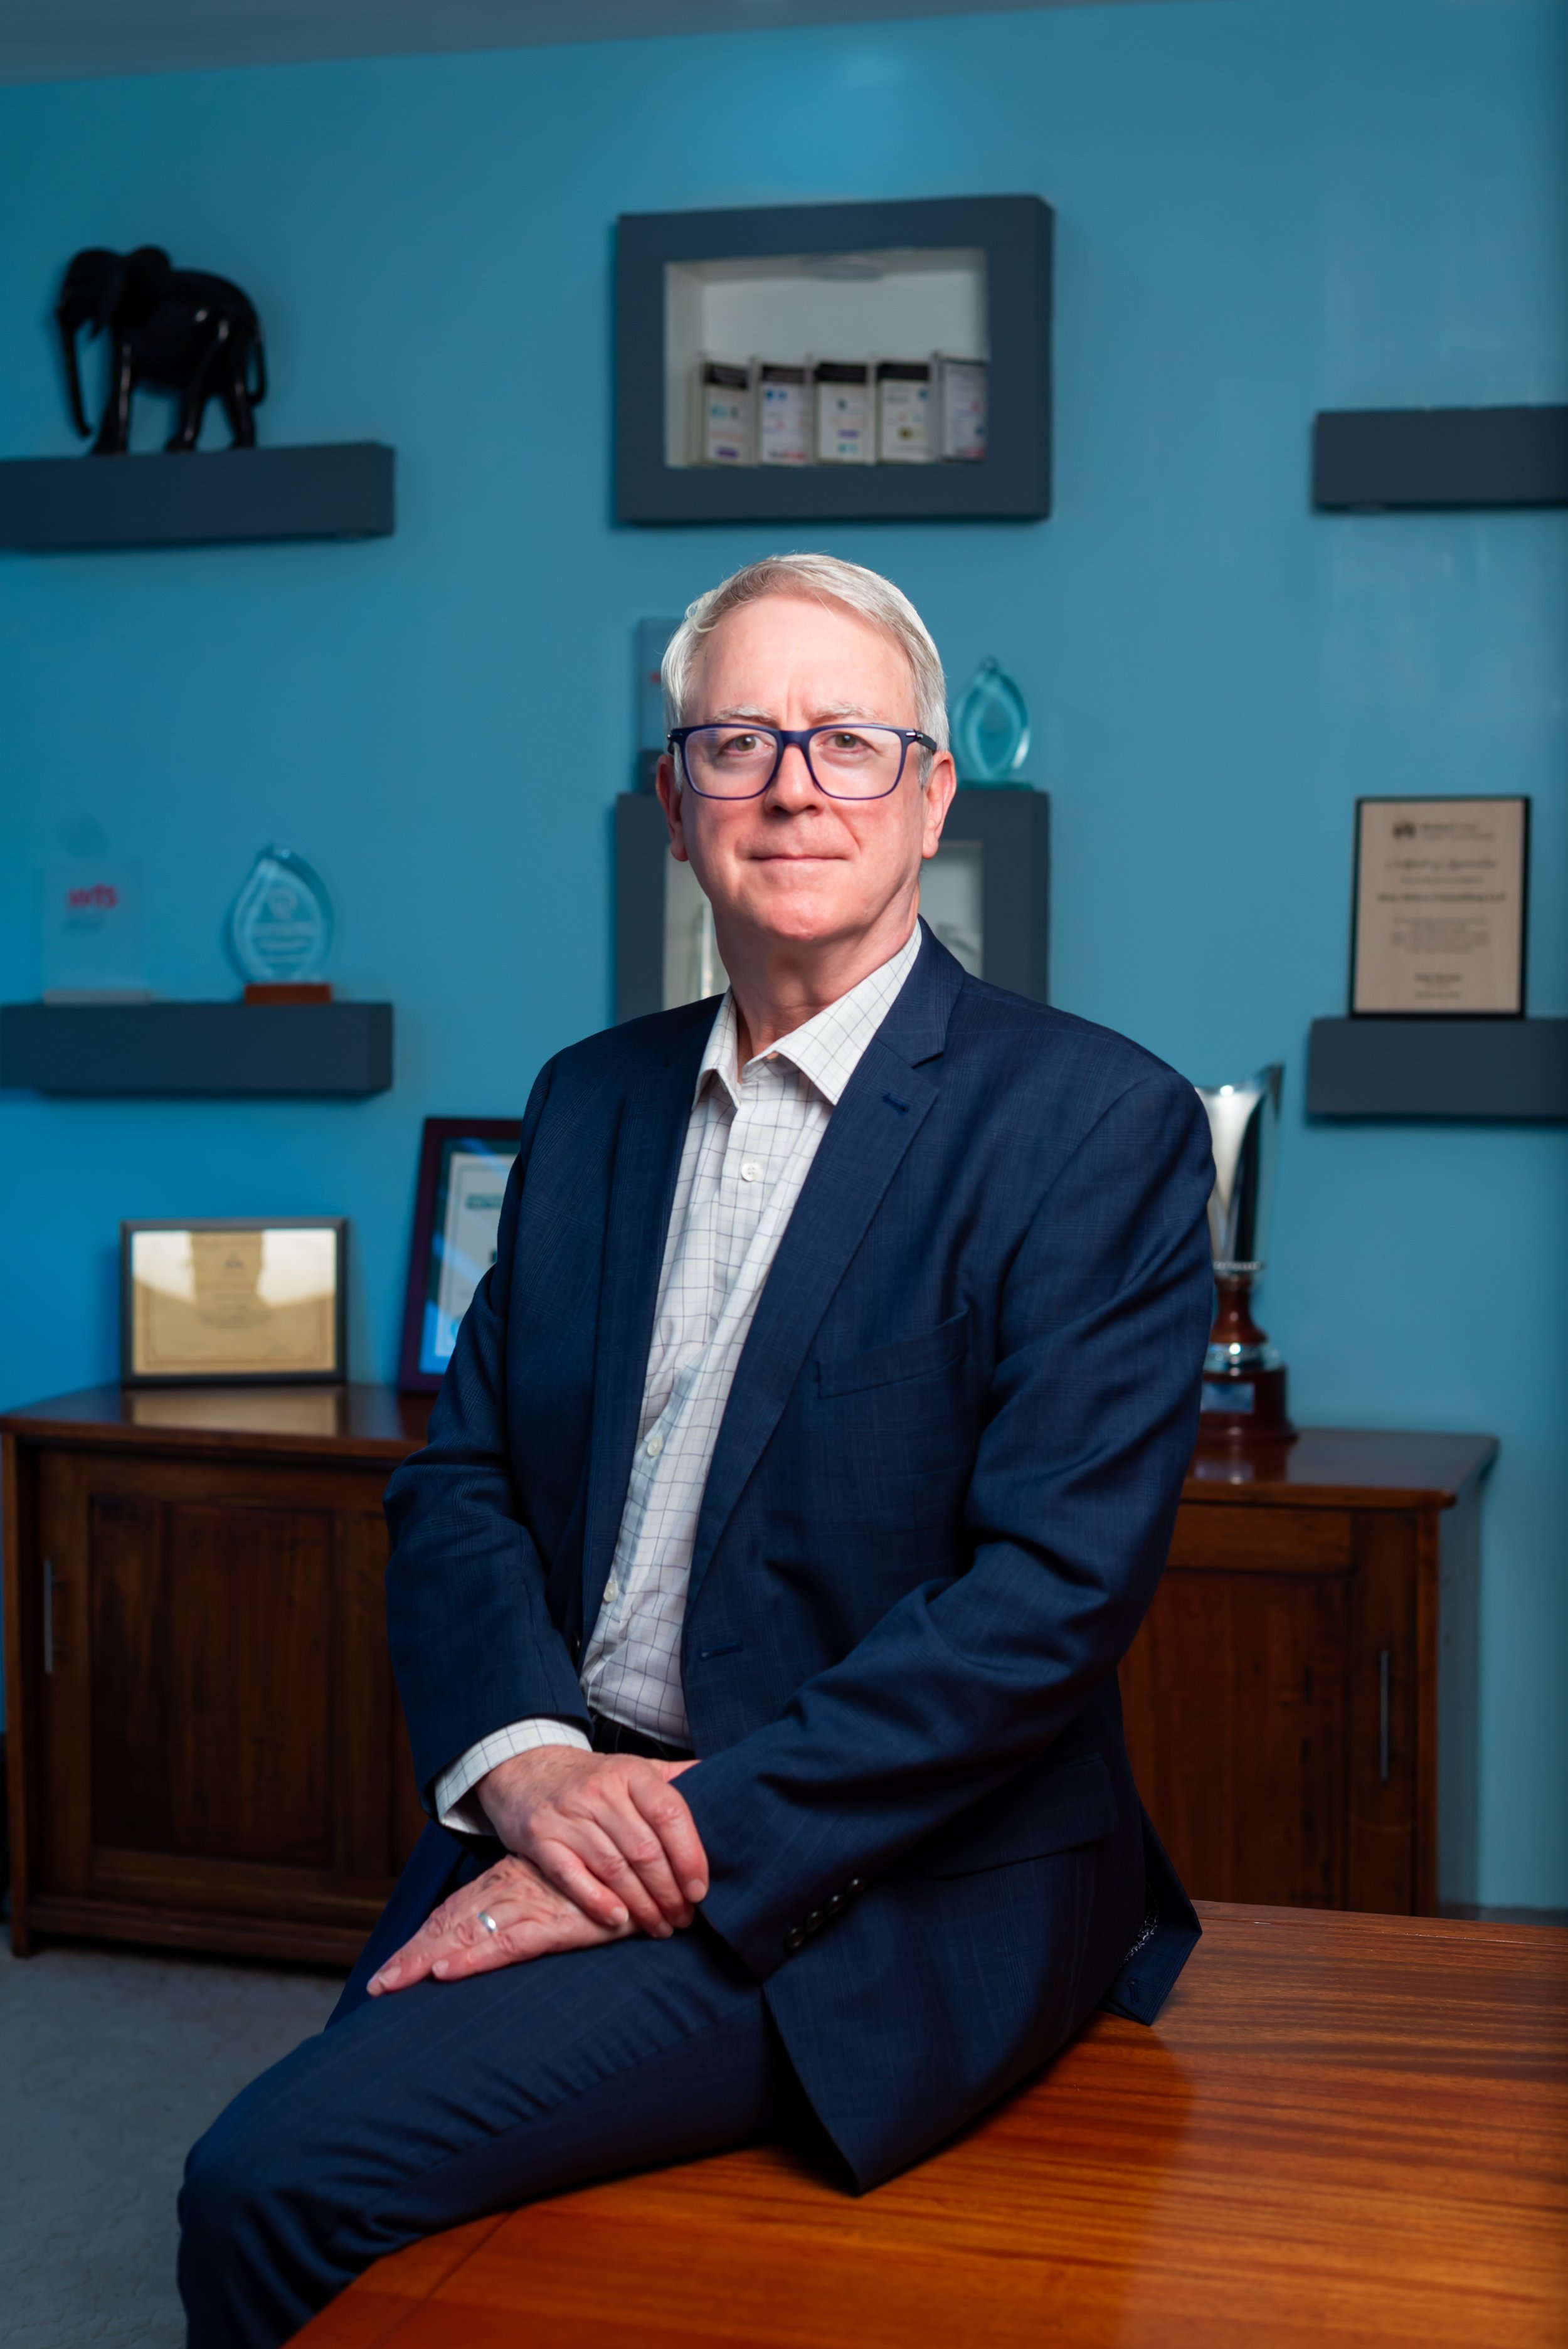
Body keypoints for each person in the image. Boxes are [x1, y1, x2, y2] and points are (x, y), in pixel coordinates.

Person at [179, 553, 1216, 2347]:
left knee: (275, 2185)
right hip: (569, 1789)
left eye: (848, 741)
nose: (793, 782)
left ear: (930, 794)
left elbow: (1040, 1604)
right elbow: (463, 1478)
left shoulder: (1089, 1121)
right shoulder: (591, 1100)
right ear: (675, 803)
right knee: (361, 2192)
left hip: (872, 1867)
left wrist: (669, 1830)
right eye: (736, 741)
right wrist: (522, 1775)